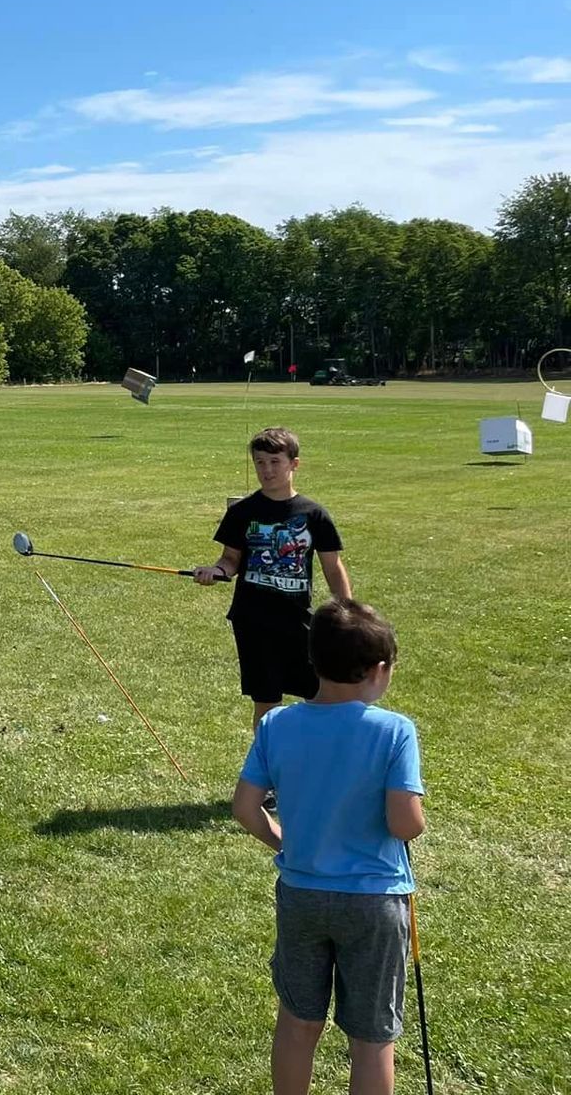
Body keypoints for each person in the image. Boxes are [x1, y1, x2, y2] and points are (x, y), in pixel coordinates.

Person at [233, 599, 425, 1095]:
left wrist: (281, 841)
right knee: (371, 1038)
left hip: (301, 894)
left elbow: (245, 809)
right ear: (379, 671)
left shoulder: (276, 724)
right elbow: (405, 825)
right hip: (375, 902)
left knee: (297, 1023)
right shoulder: (395, 731)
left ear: (312, 662)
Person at [195, 428, 353, 729]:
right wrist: (216, 572)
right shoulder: (243, 512)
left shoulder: (313, 514)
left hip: (298, 620)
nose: (266, 470)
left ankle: (318, 755)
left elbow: (333, 567)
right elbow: (230, 560)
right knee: (266, 700)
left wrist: (348, 614)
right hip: (253, 620)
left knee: (320, 693)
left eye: (274, 462)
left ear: (294, 464)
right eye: (259, 462)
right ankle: (267, 766)